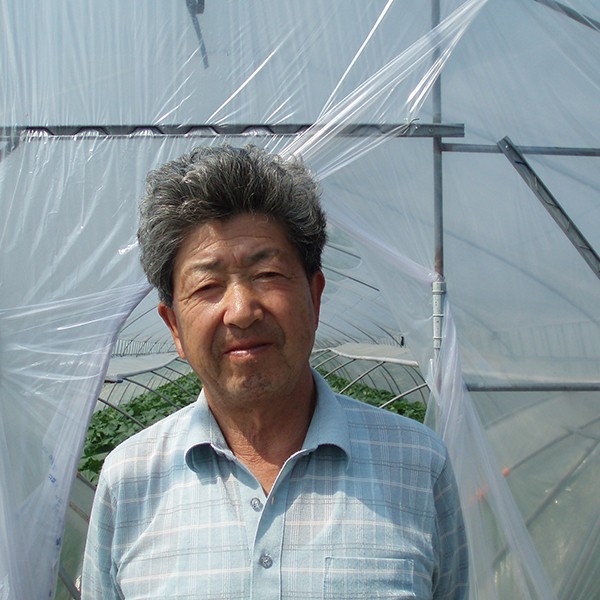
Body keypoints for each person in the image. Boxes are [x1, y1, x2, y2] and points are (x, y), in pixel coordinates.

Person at [81, 144, 468, 599]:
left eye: (267, 274)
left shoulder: (418, 464)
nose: (242, 311)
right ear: (174, 328)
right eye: (207, 285)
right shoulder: (128, 479)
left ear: (315, 297)